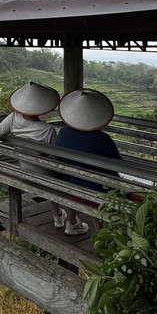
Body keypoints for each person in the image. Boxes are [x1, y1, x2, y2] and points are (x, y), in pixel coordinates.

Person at [53, 88, 121, 236]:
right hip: (99, 189)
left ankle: (72, 222)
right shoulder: (103, 139)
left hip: (72, 183)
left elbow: (57, 156)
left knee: (74, 180)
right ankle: (104, 238)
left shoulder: (63, 133)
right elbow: (117, 163)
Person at [0, 82, 59, 173]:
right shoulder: (49, 130)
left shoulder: (13, 118)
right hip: (46, 174)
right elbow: (55, 158)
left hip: (24, 169)